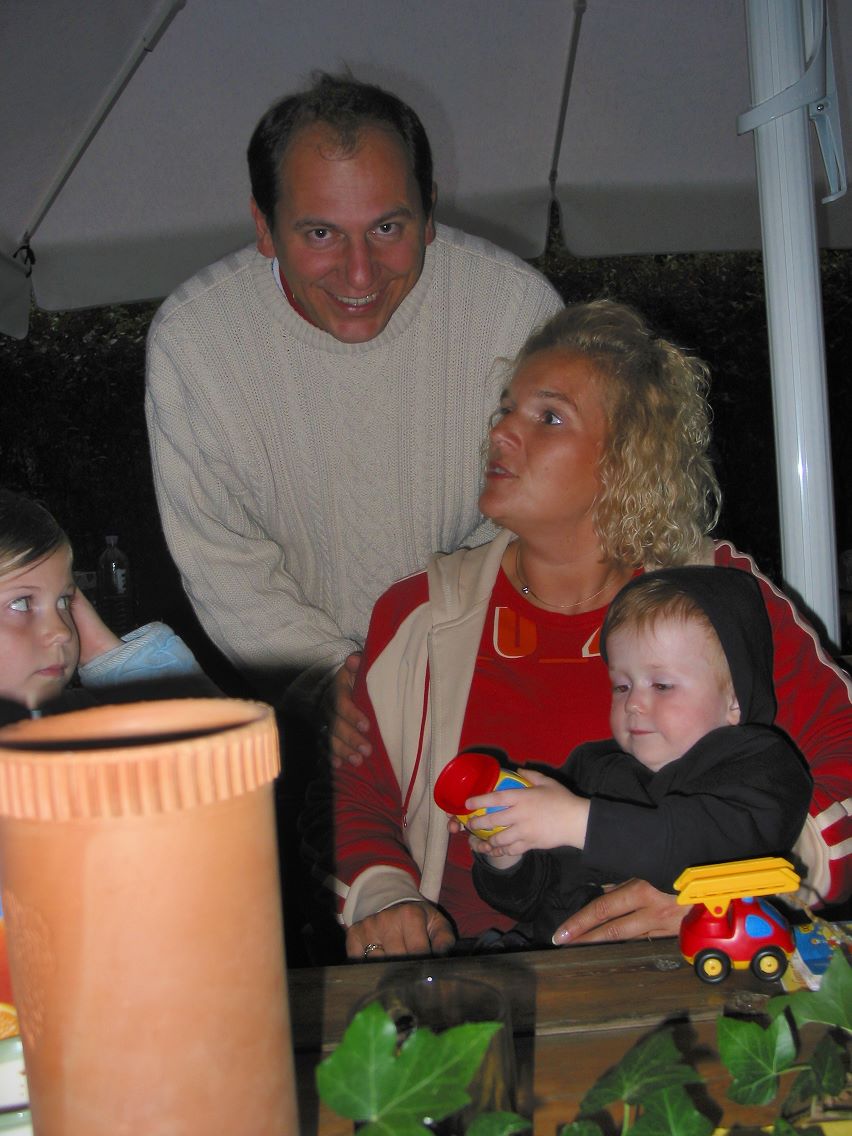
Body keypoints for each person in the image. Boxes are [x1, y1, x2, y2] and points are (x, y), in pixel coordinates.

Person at [318, 300, 852, 961]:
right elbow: (352, 797)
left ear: (626, 458)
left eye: (548, 417)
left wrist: (725, 889)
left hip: (690, 967)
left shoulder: (718, 599)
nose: (502, 433)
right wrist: (386, 896)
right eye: (505, 411)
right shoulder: (420, 613)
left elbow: (841, 758)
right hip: (477, 969)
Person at [145, 72, 562, 720]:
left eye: (388, 226)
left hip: (493, 681)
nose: (360, 272)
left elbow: (545, 517)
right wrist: (333, 684)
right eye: (320, 234)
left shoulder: (516, 313)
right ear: (264, 227)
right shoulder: (195, 341)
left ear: (428, 212)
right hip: (312, 709)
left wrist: (435, 670)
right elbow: (223, 562)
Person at [469, 566, 813, 947]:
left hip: (697, 965)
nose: (633, 703)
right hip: (550, 960)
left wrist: (578, 822)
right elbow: (532, 898)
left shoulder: (762, 765)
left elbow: (706, 844)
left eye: (661, 685)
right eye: (622, 686)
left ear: (734, 700)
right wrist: (506, 851)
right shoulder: (591, 769)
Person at [0, 488, 214, 724]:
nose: (62, 631)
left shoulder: (75, 718)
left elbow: (200, 731)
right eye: (20, 603)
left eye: (65, 601)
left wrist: (105, 653)